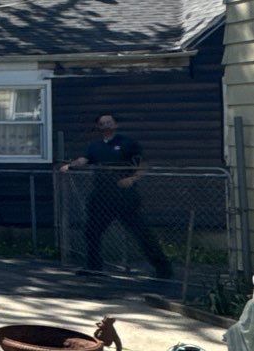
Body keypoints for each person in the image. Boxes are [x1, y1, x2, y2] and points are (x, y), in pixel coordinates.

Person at [58, 112, 172, 278]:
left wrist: (132, 179)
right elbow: (84, 159)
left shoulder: (127, 143)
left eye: (109, 122)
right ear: (98, 127)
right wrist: (70, 166)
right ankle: (94, 267)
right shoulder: (95, 146)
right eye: (102, 123)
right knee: (92, 231)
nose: (106, 125)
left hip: (124, 197)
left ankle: (163, 269)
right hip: (102, 196)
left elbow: (143, 164)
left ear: (116, 125)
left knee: (141, 232)